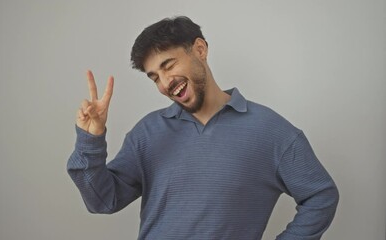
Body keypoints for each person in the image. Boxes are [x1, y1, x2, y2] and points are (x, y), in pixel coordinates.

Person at [67, 16, 339, 240]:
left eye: (168, 65)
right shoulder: (147, 133)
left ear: (200, 49)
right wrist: (91, 140)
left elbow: (320, 195)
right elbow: (103, 201)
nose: (165, 84)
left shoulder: (271, 131)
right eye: (155, 78)